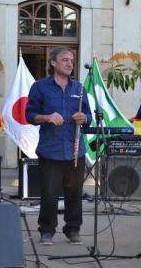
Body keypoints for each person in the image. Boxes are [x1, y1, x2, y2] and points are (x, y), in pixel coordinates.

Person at [25, 46, 92, 245]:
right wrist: (46, 117)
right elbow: (29, 115)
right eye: (65, 60)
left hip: (75, 150)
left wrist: (84, 117)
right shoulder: (40, 87)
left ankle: (72, 229)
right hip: (51, 149)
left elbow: (89, 116)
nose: (70, 63)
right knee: (49, 192)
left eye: (71, 60)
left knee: (75, 192)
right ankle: (47, 230)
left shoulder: (79, 88)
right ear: (53, 63)